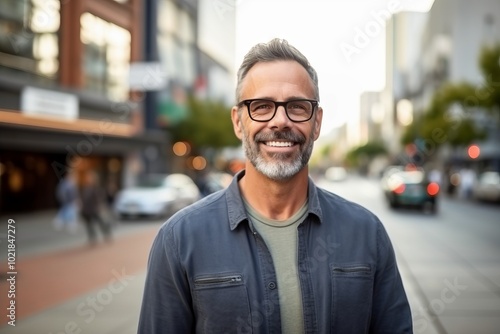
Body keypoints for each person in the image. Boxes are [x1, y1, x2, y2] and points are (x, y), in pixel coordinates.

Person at [138, 38, 413, 333]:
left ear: (317, 122)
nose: (280, 121)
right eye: (262, 106)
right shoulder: (179, 240)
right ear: (238, 122)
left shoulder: (366, 233)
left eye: (296, 107)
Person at [80, 170, 112, 245]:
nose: (88, 179)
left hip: (94, 209)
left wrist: (99, 206)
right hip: (87, 210)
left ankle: (106, 234)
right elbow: (83, 198)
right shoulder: (85, 188)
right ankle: (92, 238)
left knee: (100, 223)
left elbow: (99, 197)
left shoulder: (95, 188)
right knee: (89, 225)